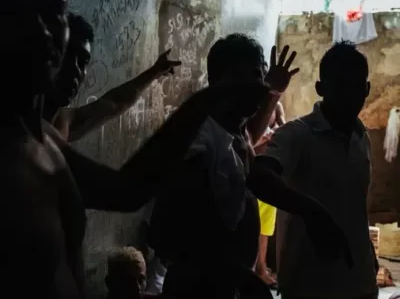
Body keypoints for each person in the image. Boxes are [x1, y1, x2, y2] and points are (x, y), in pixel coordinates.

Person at [0, 0, 269, 299]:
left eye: (55, 13)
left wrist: (206, 98)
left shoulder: (42, 140)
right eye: (15, 12)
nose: (44, 32)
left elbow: (127, 191)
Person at [150, 34, 352, 299]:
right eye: (245, 76)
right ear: (217, 82)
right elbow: (175, 235)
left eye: (260, 75)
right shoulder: (199, 138)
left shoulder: (234, 129)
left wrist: (313, 211)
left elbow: (252, 158)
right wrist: (238, 276)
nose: (257, 85)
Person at [267, 40, 378, 299]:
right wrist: (311, 211)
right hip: (310, 285)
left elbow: (354, 205)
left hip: (360, 283)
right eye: (340, 85)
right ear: (321, 88)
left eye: (356, 86)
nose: (349, 95)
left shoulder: (361, 138)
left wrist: (368, 252)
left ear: (367, 89)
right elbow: (260, 177)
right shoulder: (296, 136)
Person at [44, 12, 181, 141]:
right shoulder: (26, 129)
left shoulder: (63, 121)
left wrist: (155, 71)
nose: (75, 70)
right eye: (65, 56)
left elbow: (115, 103)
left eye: (83, 62)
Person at [254, 101, 286, 288]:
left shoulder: (277, 106)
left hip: (268, 171)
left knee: (265, 227)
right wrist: (265, 136)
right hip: (251, 169)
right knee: (250, 222)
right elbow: (246, 139)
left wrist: (275, 133)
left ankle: (261, 269)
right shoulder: (252, 105)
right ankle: (252, 270)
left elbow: (284, 130)